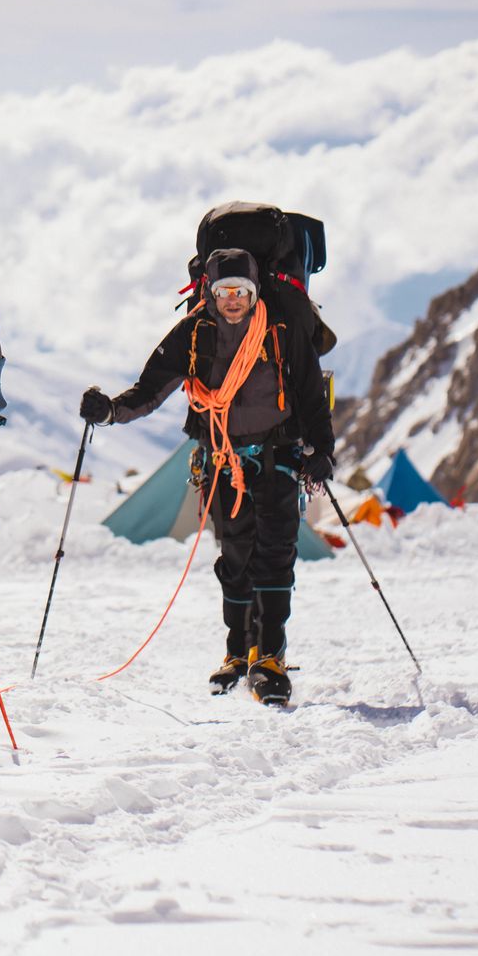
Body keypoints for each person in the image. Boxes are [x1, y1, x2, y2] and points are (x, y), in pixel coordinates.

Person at [80, 248, 333, 705]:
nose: (232, 299)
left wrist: (322, 450)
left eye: (241, 291)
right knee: (235, 560)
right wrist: (111, 411)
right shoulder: (194, 333)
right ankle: (238, 653)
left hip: (277, 454)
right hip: (221, 458)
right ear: (210, 292)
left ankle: (269, 657)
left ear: (254, 292)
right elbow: (151, 387)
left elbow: (312, 391)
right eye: (223, 291)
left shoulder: (280, 328)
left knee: (275, 555)